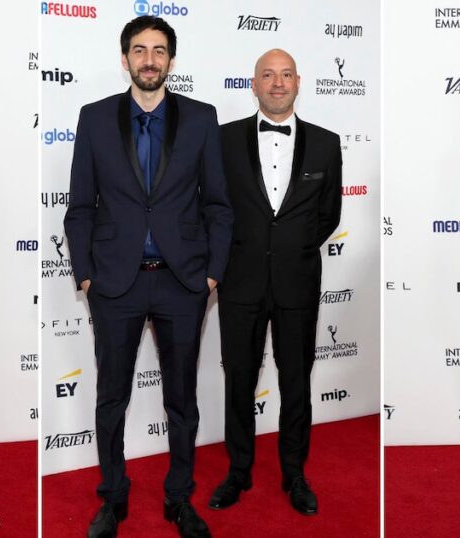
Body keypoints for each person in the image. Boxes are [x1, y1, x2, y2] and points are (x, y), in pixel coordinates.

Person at [63, 15, 232, 538]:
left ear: (172, 61)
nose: (150, 60)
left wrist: (211, 277)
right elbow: (80, 207)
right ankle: (112, 498)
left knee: (182, 399)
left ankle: (179, 498)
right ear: (125, 59)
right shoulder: (93, 118)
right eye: (140, 50)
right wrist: (86, 275)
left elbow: (219, 206)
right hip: (115, 284)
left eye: (159, 51)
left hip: (183, 284)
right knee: (111, 397)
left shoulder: (202, 119)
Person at [209, 49, 342, 516]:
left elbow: (328, 216)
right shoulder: (223, 140)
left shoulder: (327, 144)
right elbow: (213, 209)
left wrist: (292, 250)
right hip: (239, 282)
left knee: (296, 383)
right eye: (268, 75)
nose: (278, 83)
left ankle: (294, 474)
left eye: (285, 75)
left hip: (297, 283)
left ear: (299, 82)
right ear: (254, 83)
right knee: (239, 381)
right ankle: (238, 472)